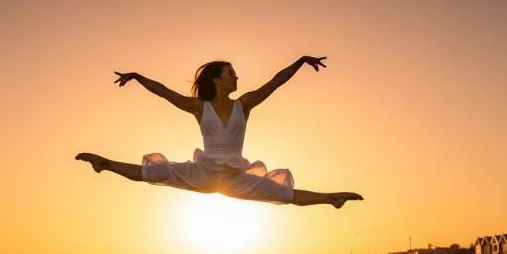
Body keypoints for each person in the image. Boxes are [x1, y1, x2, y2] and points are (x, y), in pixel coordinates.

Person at [76, 56, 363, 208]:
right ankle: (104, 163)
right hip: (206, 171)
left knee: (284, 194)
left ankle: (332, 199)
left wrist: (300, 61)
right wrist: (137, 77)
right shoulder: (200, 108)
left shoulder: (245, 104)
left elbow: (275, 82)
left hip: (235, 177)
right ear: (217, 80)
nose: (236, 76)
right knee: (154, 172)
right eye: (230, 73)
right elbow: (163, 92)